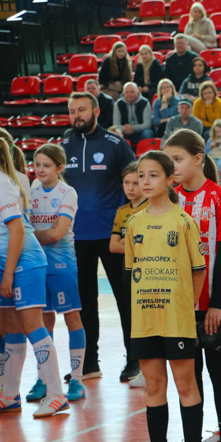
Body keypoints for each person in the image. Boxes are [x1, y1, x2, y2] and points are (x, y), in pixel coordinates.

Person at [0, 134, 68, 418]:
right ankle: (9, 394)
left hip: (26, 263)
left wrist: (7, 274)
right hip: (10, 263)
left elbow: (18, 230)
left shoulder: (1, 185)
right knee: (11, 327)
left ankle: (57, 394)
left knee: (33, 326)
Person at [126, 151, 207, 442]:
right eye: (141, 176)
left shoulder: (183, 221)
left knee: (186, 385)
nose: (145, 182)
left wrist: (187, 306)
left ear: (171, 179)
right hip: (145, 318)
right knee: (154, 387)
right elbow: (132, 271)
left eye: (153, 175)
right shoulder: (134, 223)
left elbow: (198, 272)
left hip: (176, 318)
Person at [163, 130, 221, 442]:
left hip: (214, 303)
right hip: (179, 305)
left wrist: (216, 305)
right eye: (169, 160)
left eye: (178, 159)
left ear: (198, 158)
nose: (173, 166)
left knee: (220, 373)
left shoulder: (220, 199)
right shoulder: (169, 199)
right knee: (186, 376)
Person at [63, 92, 138, 381]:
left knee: (124, 299)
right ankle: (88, 363)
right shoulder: (64, 146)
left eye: (81, 109)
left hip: (113, 236)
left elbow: (135, 185)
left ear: (95, 110)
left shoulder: (116, 145)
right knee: (84, 301)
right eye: (72, 111)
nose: (76, 115)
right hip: (75, 237)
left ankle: (134, 360)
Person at [25, 143, 87, 404]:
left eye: (46, 165)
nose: (40, 169)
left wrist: (26, 236)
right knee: (43, 323)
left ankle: (77, 380)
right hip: (38, 265)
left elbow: (57, 234)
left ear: (60, 168)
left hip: (62, 266)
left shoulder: (67, 193)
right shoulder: (32, 189)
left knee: (72, 320)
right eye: (37, 164)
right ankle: (45, 378)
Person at [109, 162, 146, 386]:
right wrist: (134, 243)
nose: (131, 188)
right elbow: (113, 246)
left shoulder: (151, 208)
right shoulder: (122, 212)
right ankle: (132, 359)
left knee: (145, 317)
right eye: (126, 183)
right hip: (128, 272)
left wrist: (128, 242)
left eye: (136, 182)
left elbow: (151, 244)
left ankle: (146, 360)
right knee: (128, 316)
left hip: (149, 272)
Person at [113, 82, 154, 146]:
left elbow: (147, 124)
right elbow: (116, 125)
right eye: (127, 92)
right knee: (115, 133)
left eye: (132, 92)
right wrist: (124, 128)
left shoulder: (145, 102)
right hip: (124, 133)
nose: (129, 94)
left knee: (148, 133)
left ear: (137, 92)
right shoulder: (118, 104)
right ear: (123, 93)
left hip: (140, 132)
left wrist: (133, 128)